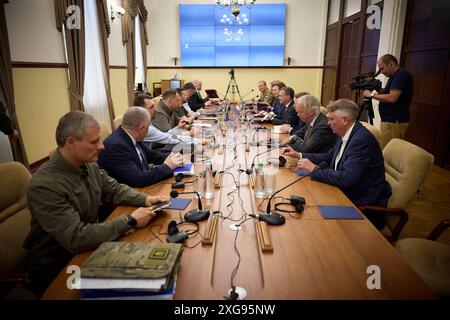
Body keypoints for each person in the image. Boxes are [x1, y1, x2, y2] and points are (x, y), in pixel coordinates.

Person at [24, 111, 169, 297]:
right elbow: (76, 238)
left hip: (91, 248)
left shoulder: (88, 164)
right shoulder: (44, 185)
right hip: (60, 267)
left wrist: (145, 199)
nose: (101, 146)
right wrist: (130, 220)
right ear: (70, 142)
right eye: (94, 142)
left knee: (155, 265)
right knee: (139, 285)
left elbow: (113, 189)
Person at [296, 99, 391, 229]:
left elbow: (347, 179)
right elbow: (328, 157)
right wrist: (299, 155)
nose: (328, 123)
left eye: (331, 119)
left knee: (312, 222)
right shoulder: (346, 133)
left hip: (359, 203)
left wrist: (314, 169)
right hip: (342, 192)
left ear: (345, 120)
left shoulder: (360, 140)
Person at [98, 107, 184, 188]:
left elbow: (152, 155)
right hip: (129, 195)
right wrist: (167, 166)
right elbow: (138, 179)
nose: (148, 130)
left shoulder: (131, 136)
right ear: (141, 128)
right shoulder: (116, 146)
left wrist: (173, 157)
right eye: (148, 127)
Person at [363, 54, 413, 148]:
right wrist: (377, 88)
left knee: (387, 150)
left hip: (394, 121)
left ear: (390, 64)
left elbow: (392, 98)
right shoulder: (394, 76)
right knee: (386, 148)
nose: (381, 72)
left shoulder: (401, 75)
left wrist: (371, 95)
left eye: (382, 68)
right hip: (390, 120)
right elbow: (387, 93)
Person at [132, 94, 197, 151]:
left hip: (151, 153)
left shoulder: (146, 121)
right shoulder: (146, 127)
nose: (156, 109)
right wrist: (197, 141)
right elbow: (168, 138)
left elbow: (165, 134)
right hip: (156, 150)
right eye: (152, 107)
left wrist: (177, 127)